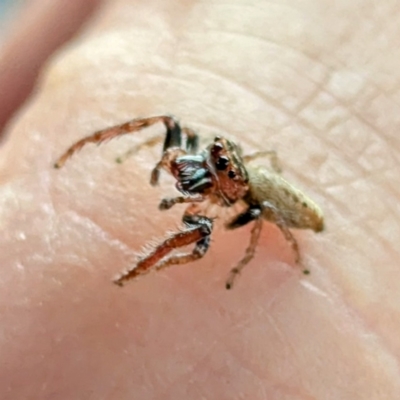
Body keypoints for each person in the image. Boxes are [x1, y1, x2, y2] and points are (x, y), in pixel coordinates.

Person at [0, 1, 398, 399]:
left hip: (280, 204)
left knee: (216, 235)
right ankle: (100, 161)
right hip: (249, 180)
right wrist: (142, 151)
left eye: (215, 170)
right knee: (169, 122)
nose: (193, 170)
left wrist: (241, 261)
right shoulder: (202, 159)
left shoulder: (242, 195)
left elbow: (241, 224)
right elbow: (177, 136)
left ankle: (142, 270)